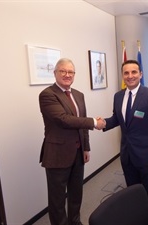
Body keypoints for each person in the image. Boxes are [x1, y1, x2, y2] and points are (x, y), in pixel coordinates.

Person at [39, 58, 105, 225]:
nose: (67, 75)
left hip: (77, 152)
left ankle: (75, 221)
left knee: (76, 193)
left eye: (70, 72)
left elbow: (80, 124)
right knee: (57, 199)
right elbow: (64, 120)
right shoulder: (47, 95)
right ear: (55, 73)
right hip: (57, 155)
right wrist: (94, 122)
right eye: (63, 71)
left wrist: (86, 148)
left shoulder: (78, 95)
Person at [102, 59, 148, 225]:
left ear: (140, 74)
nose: (130, 76)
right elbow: (118, 119)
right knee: (133, 196)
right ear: (123, 76)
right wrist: (103, 123)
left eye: (134, 72)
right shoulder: (118, 96)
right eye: (126, 73)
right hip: (127, 156)